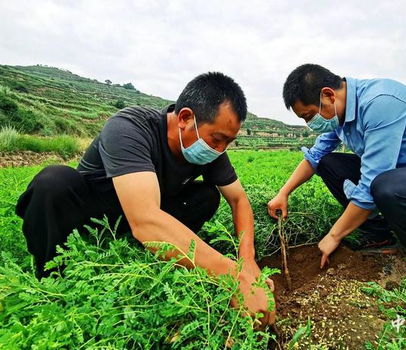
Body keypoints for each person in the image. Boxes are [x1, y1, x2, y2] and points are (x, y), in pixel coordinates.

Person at [16, 72, 275, 325]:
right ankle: (51, 281)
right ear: (185, 118)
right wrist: (233, 276)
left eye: (228, 143)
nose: (220, 149)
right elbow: (145, 218)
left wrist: (248, 261)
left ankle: (152, 253)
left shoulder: (211, 151)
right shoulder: (130, 127)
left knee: (206, 196)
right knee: (52, 183)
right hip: (96, 213)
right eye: (217, 139)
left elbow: (239, 200)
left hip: (146, 216)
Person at [268, 64, 406, 273]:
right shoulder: (339, 116)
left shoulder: (380, 103)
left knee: (386, 185)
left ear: (328, 96)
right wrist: (283, 193)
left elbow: (372, 181)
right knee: (330, 164)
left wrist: (334, 235)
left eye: (309, 116)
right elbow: (315, 157)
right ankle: (380, 236)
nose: (310, 124)